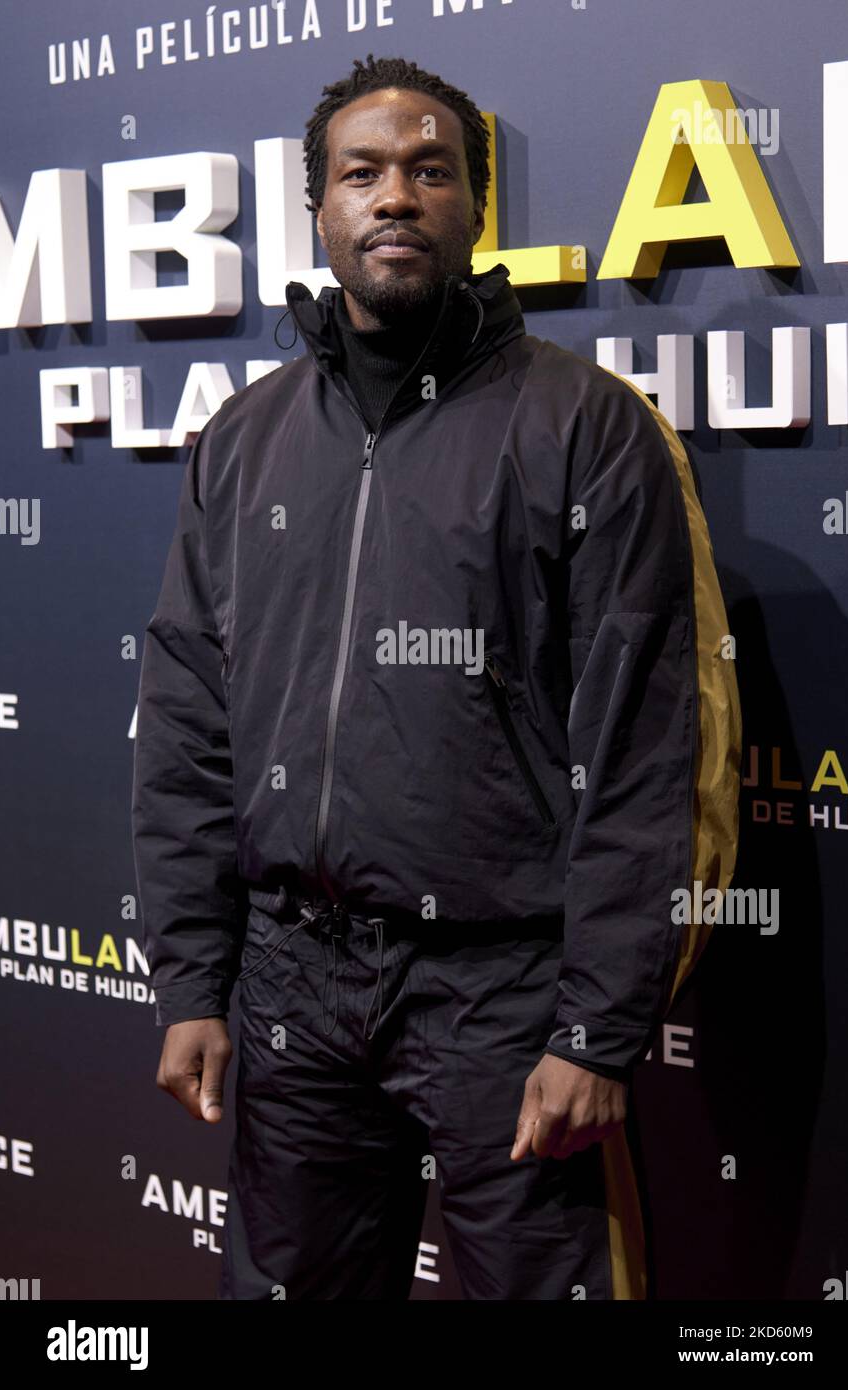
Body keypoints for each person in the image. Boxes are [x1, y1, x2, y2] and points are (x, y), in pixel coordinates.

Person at [131, 53, 742, 1300]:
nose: (394, 196)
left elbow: (644, 752)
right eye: (362, 173)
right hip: (293, 979)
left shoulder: (586, 425)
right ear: (320, 208)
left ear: (474, 207)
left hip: (503, 993)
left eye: (429, 170)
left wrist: (593, 1025)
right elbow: (188, 719)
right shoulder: (243, 441)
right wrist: (192, 979)